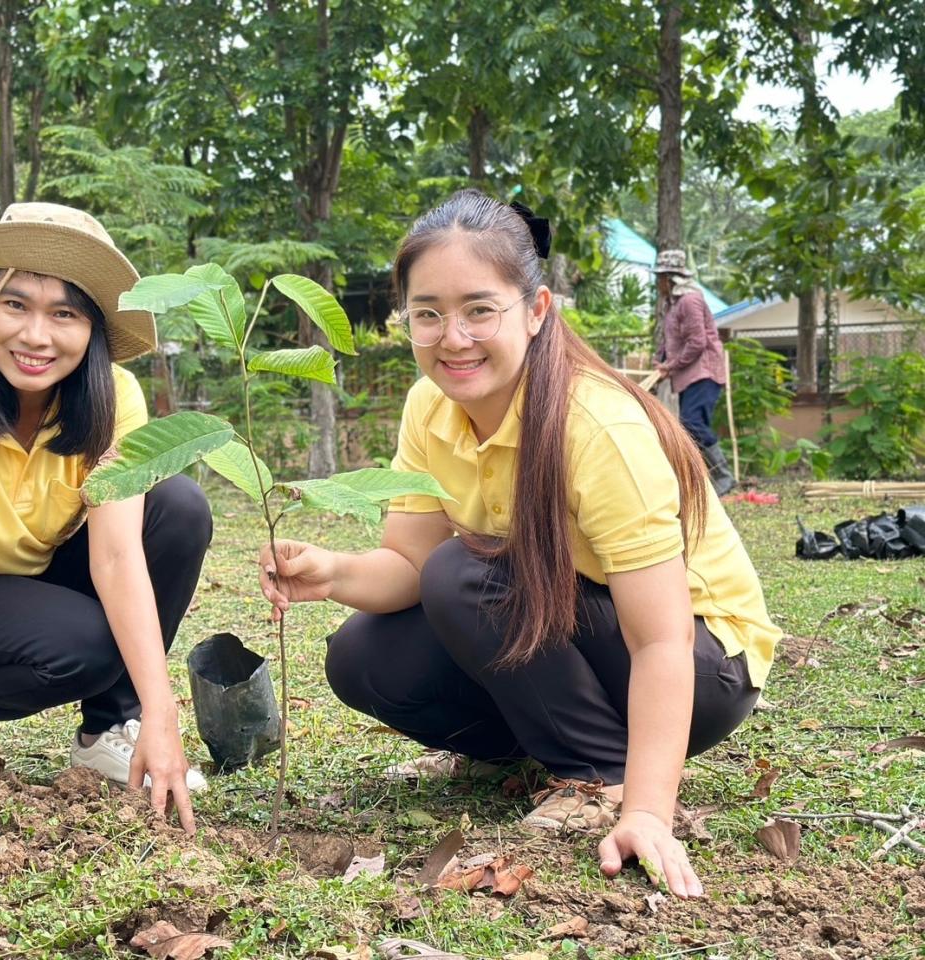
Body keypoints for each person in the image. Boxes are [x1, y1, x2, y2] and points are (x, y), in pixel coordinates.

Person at [258, 190, 780, 898]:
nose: (453, 337)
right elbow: (409, 565)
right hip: (580, 636)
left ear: (536, 312)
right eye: (427, 314)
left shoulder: (594, 425)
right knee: (362, 657)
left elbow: (658, 641)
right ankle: (528, 757)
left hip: (701, 666)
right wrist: (332, 572)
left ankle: (599, 773)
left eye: (480, 309)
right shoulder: (428, 406)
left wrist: (649, 810)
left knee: (465, 575)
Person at [0, 202, 211, 833]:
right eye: (15, 304)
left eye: (65, 314)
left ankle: (113, 726)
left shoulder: (115, 399)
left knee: (178, 507)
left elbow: (115, 555)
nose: (35, 336)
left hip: (40, 574)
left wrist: (162, 715)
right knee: (82, 643)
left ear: (94, 329)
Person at [653, 250, 736, 496]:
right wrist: (661, 359)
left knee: (692, 425)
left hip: (703, 373)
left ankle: (723, 476)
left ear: (670, 278)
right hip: (689, 376)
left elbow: (697, 342)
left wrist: (671, 365)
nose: (658, 284)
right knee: (689, 427)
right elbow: (673, 339)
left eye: (660, 278)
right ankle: (702, 482)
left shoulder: (690, 301)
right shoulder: (673, 304)